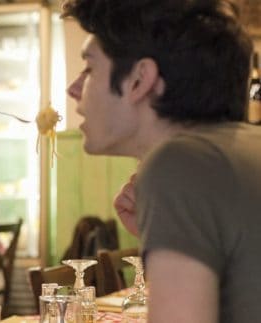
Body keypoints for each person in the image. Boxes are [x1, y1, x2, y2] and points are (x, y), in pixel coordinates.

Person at [62, 0, 261, 322]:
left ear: (140, 80)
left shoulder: (177, 163)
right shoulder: (243, 149)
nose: (73, 89)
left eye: (90, 68)